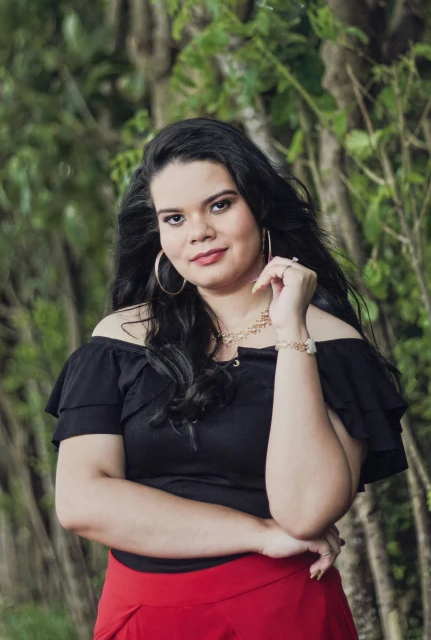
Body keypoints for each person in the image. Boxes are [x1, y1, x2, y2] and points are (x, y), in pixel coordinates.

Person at [45, 117, 409, 640]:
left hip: (281, 613)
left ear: (258, 206)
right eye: (175, 218)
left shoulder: (331, 346)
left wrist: (291, 335)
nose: (199, 232)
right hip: (144, 616)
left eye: (219, 205)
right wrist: (256, 533)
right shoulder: (119, 341)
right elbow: (81, 503)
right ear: (157, 234)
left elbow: (305, 512)